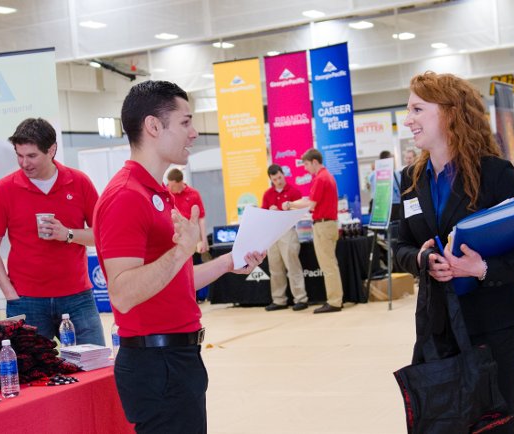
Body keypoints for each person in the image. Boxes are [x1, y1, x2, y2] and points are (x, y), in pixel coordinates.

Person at [94, 80, 265, 433]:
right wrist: (180, 252)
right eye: (185, 122)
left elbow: (175, 280)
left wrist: (229, 262)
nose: (194, 132)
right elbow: (122, 294)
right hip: (156, 363)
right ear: (153, 126)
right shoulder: (125, 197)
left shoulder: (157, 193)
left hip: (178, 357)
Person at [394, 71, 514, 433]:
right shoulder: (410, 181)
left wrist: (482, 268)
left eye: (417, 109)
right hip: (437, 328)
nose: (408, 120)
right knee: (440, 423)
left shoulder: (493, 173)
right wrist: (421, 260)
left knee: (492, 426)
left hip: (492, 328)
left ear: (449, 113)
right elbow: (399, 244)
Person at [0, 118, 104, 345]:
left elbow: (102, 235)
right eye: (19, 155)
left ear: (52, 150)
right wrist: (9, 293)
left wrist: (67, 234)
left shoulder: (79, 183)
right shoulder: (5, 189)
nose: (24, 163)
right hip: (26, 300)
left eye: (32, 156)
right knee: (31, 376)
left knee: (94, 365)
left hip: (77, 298)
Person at [282, 148, 343, 314]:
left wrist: (290, 205)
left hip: (323, 225)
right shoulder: (327, 177)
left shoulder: (321, 178)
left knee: (328, 265)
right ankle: (335, 299)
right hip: (328, 224)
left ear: (314, 162)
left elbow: (311, 204)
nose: (305, 168)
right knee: (330, 264)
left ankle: (334, 301)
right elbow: (312, 201)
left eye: (307, 164)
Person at [261, 164, 308, 312]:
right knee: (275, 268)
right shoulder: (267, 194)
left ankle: (301, 298)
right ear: (271, 179)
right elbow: (263, 215)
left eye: (280, 177)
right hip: (272, 233)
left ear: (283, 174)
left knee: (292, 266)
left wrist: (289, 208)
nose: (278, 181)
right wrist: (270, 211)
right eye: (275, 179)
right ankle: (279, 299)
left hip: (288, 231)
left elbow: (302, 210)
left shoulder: (293, 191)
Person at [166, 168, 208, 254]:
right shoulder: (166, 194)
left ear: (180, 182)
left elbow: (201, 219)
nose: (169, 187)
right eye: (168, 185)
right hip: (173, 240)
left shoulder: (194, 194)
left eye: (172, 185)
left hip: (192, 239)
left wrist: (204, 240)